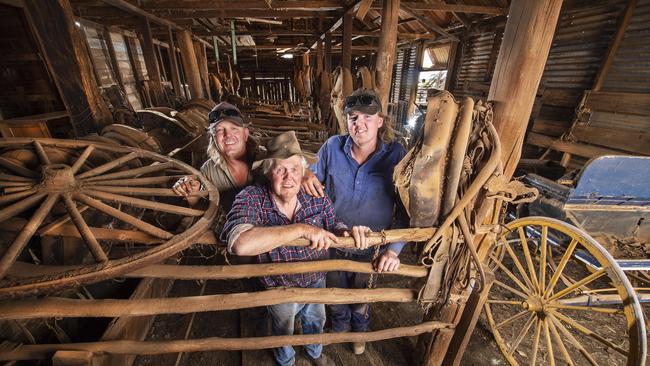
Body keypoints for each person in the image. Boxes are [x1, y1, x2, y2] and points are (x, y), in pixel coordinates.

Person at [221, 131, 369, 366]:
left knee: (316, 321)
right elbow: (240, 243)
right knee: (282, 329)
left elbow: (334, 223)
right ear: (269, 172)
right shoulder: (251, 197)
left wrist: (346, 233)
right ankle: (286, 360)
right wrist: (302, 229)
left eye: (294, 169)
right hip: (277, 285)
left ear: (303, 172)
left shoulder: (315, 196)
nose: (288, 177)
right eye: (281, 169)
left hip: (315, 279)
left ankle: (314, 352)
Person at [301, 88, 408, 355]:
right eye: (352, 118)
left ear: (380, 120)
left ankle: (359, 331)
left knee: (362, 295)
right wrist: (304, 173)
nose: (358, 124)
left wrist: (393, 250)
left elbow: (409, 210)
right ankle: (339, 329)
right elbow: (312, 185)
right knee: (336, 290)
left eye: (366, 118)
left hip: (372, 245)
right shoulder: (331, 148)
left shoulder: (397, 156)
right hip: (334, 240)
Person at [172, 101, 260, 214]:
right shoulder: (208, 171)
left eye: (234, 128)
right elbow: (204, 209)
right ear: (213, 138)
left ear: (245, 134)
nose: (228, 135)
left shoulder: (267, 160)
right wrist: (191, 194)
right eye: (219, 130)